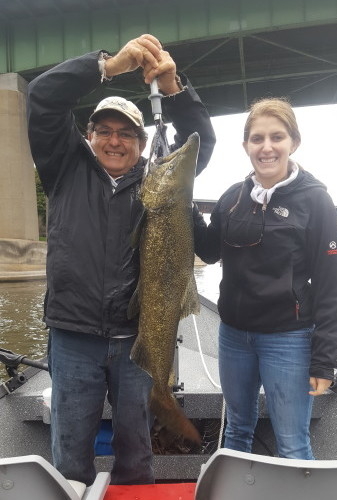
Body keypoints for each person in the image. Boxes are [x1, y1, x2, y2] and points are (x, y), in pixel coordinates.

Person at [27, 34, 215, 486]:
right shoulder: (64, 168)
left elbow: (200, 142)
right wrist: (107, 67)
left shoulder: (158, 187)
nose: (114, 141)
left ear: (140, 141)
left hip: (137, 342)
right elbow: (42, 97)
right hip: (73, 337)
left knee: (137, 455)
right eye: (104, 131)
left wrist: (174, 87)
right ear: (88, 136)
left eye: (126, 133)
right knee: (70, 455)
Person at [193, 97, 337, 459]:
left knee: (293, 442)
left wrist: (323, 359)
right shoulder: (233, 196)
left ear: (294, 142)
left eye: (277, 137)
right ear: (246, 145)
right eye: (257, 139)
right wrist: (184, 205)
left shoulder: (315, 200)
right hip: (233, 336)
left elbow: (331, 285)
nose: (266, 147)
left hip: (288, 339)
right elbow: (210, 251)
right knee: (236, 429)